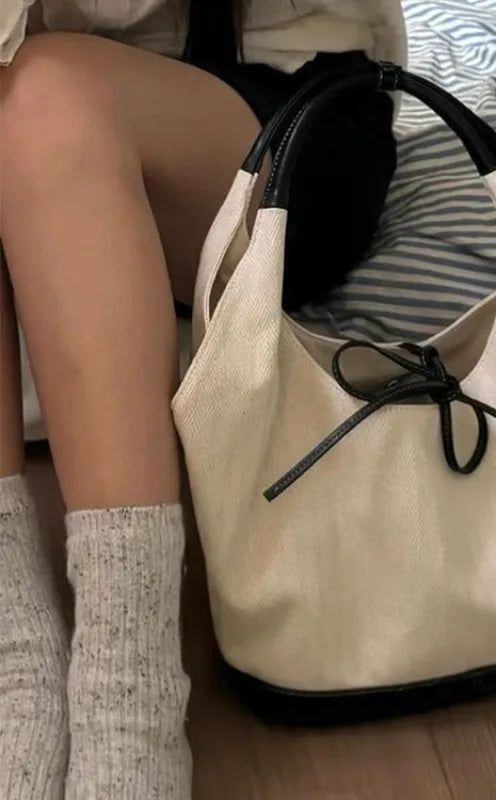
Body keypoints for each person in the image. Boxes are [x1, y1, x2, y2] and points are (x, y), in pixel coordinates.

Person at [0, 1, 405, 797]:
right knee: (24, 94)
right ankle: (11, 646)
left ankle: (128, 694)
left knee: (43, 94)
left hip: (285, 93)